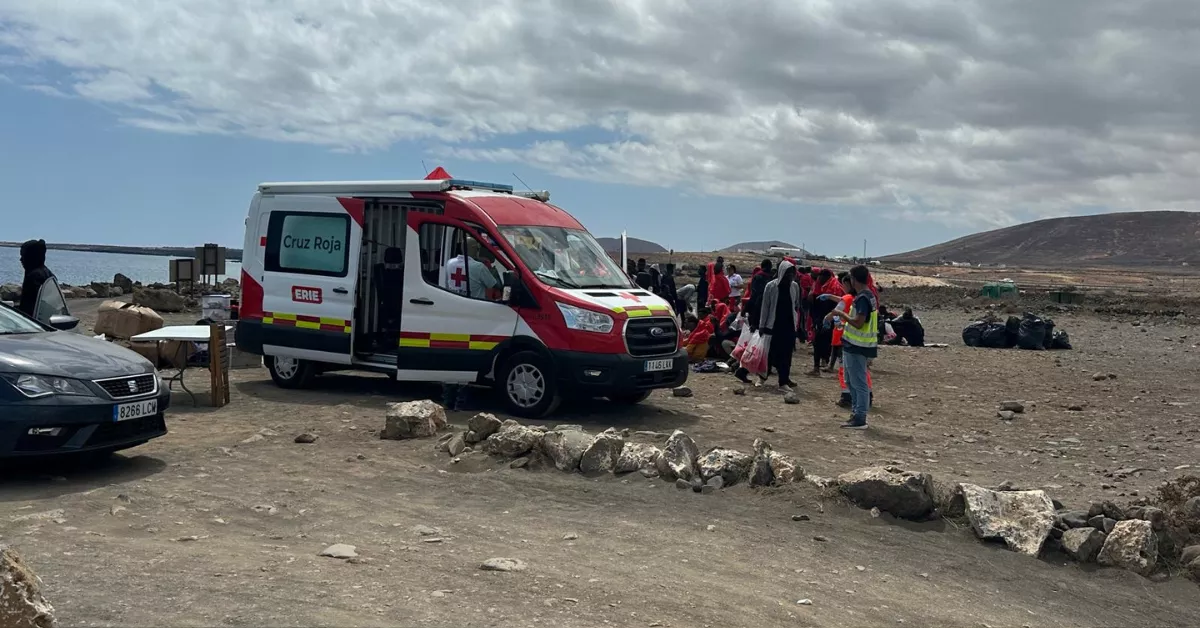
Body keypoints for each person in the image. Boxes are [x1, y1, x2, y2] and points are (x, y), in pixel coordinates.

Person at [826, 265, 878, 429]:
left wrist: (841, 315)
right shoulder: (867, 295)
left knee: (858, 382)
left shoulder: (863, 297)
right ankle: (856, 413)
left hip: (858, 346)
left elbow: (858, 322)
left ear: (854, 279)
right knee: (850, 380)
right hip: (853, 345)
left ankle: (860, 417)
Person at [758, 260, 800, 391]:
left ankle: (783, 382)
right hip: (773, 325)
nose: (790, 276)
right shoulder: (771, 286)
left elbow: (796, 305)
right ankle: (761, 378)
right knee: (769, 354)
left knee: (786, 356)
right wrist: (762, 325)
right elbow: (765, 307)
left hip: (788, 327)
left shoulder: (794, 287)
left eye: (792, 274)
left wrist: (797, 326)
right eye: (787, 273)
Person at [808, 268, 842, 376]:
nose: (819, 279)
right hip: (823, 318)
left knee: (820, 342)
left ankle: (817, 367)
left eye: (820, 277)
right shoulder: (822, 286)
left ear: (826, 277)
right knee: (824, 342)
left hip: (828, 318)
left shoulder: (833, 288)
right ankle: (823, 363)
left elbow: (835, 305)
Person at [18, 239, 53, 319]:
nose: (21, 259)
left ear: (30, 257)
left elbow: (28, 307)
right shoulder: (47, 273)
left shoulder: (34, 277)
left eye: (23, 256)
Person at [742, 259, 773, 332]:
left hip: (757, 309)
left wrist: (746, 308)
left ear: (762, 266)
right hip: (769, 310)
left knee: (754, 332)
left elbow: (754, 295)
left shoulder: (758, 277)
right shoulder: (773, 278)